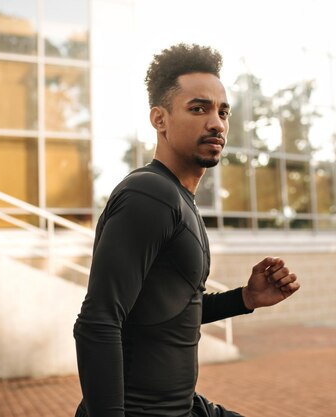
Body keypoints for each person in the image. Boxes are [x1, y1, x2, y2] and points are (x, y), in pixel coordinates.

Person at [73, 43, 300, 417]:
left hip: (185, 407)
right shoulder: (150, 194)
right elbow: (98, 321)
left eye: (222, 111)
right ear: (159, 119)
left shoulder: (179, 199)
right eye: (199, 108)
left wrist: (245, 298)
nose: (217, 123)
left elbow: (170, 310)